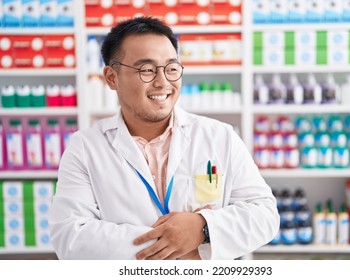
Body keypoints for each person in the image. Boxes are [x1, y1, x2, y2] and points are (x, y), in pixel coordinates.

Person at [49, 16, 279, 260]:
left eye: (171, 68)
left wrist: (202, 228)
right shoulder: (85, 147)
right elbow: (70, 236)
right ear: (111, 78)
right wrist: (174, 242)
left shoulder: (220, 136)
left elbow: (264, 214)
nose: (163, 82)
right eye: (146, 70)